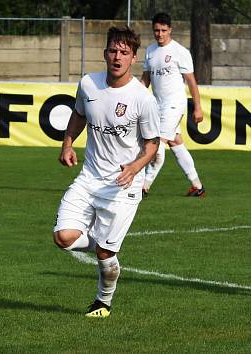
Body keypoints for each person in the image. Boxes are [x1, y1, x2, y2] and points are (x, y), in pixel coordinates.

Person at [53, 27, 160, 318]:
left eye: (124, 52)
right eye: (113, 50)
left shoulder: (142, 98)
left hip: (123, 186)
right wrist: (67, 144)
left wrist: (135, 167)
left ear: (134, 58)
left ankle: (103, 302)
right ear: (105, 54)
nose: (117, 57)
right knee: (63, 237)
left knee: (104, 255)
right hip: (89, 178)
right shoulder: (88, 84)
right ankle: (103, 244)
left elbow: (153, 143)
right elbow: (78, 115)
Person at [140, 12, 205, 197]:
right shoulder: (150, 51)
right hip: (157, 105)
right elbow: (145, 80)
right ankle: (197, 186)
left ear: (170, 30)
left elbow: (191, 81)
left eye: (163, 30)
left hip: (174, 104)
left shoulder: (180, 52)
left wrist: (198, 107)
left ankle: (143, 186)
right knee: (175, 142)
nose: (159, 34)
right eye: (156, 30)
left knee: (156, 143)